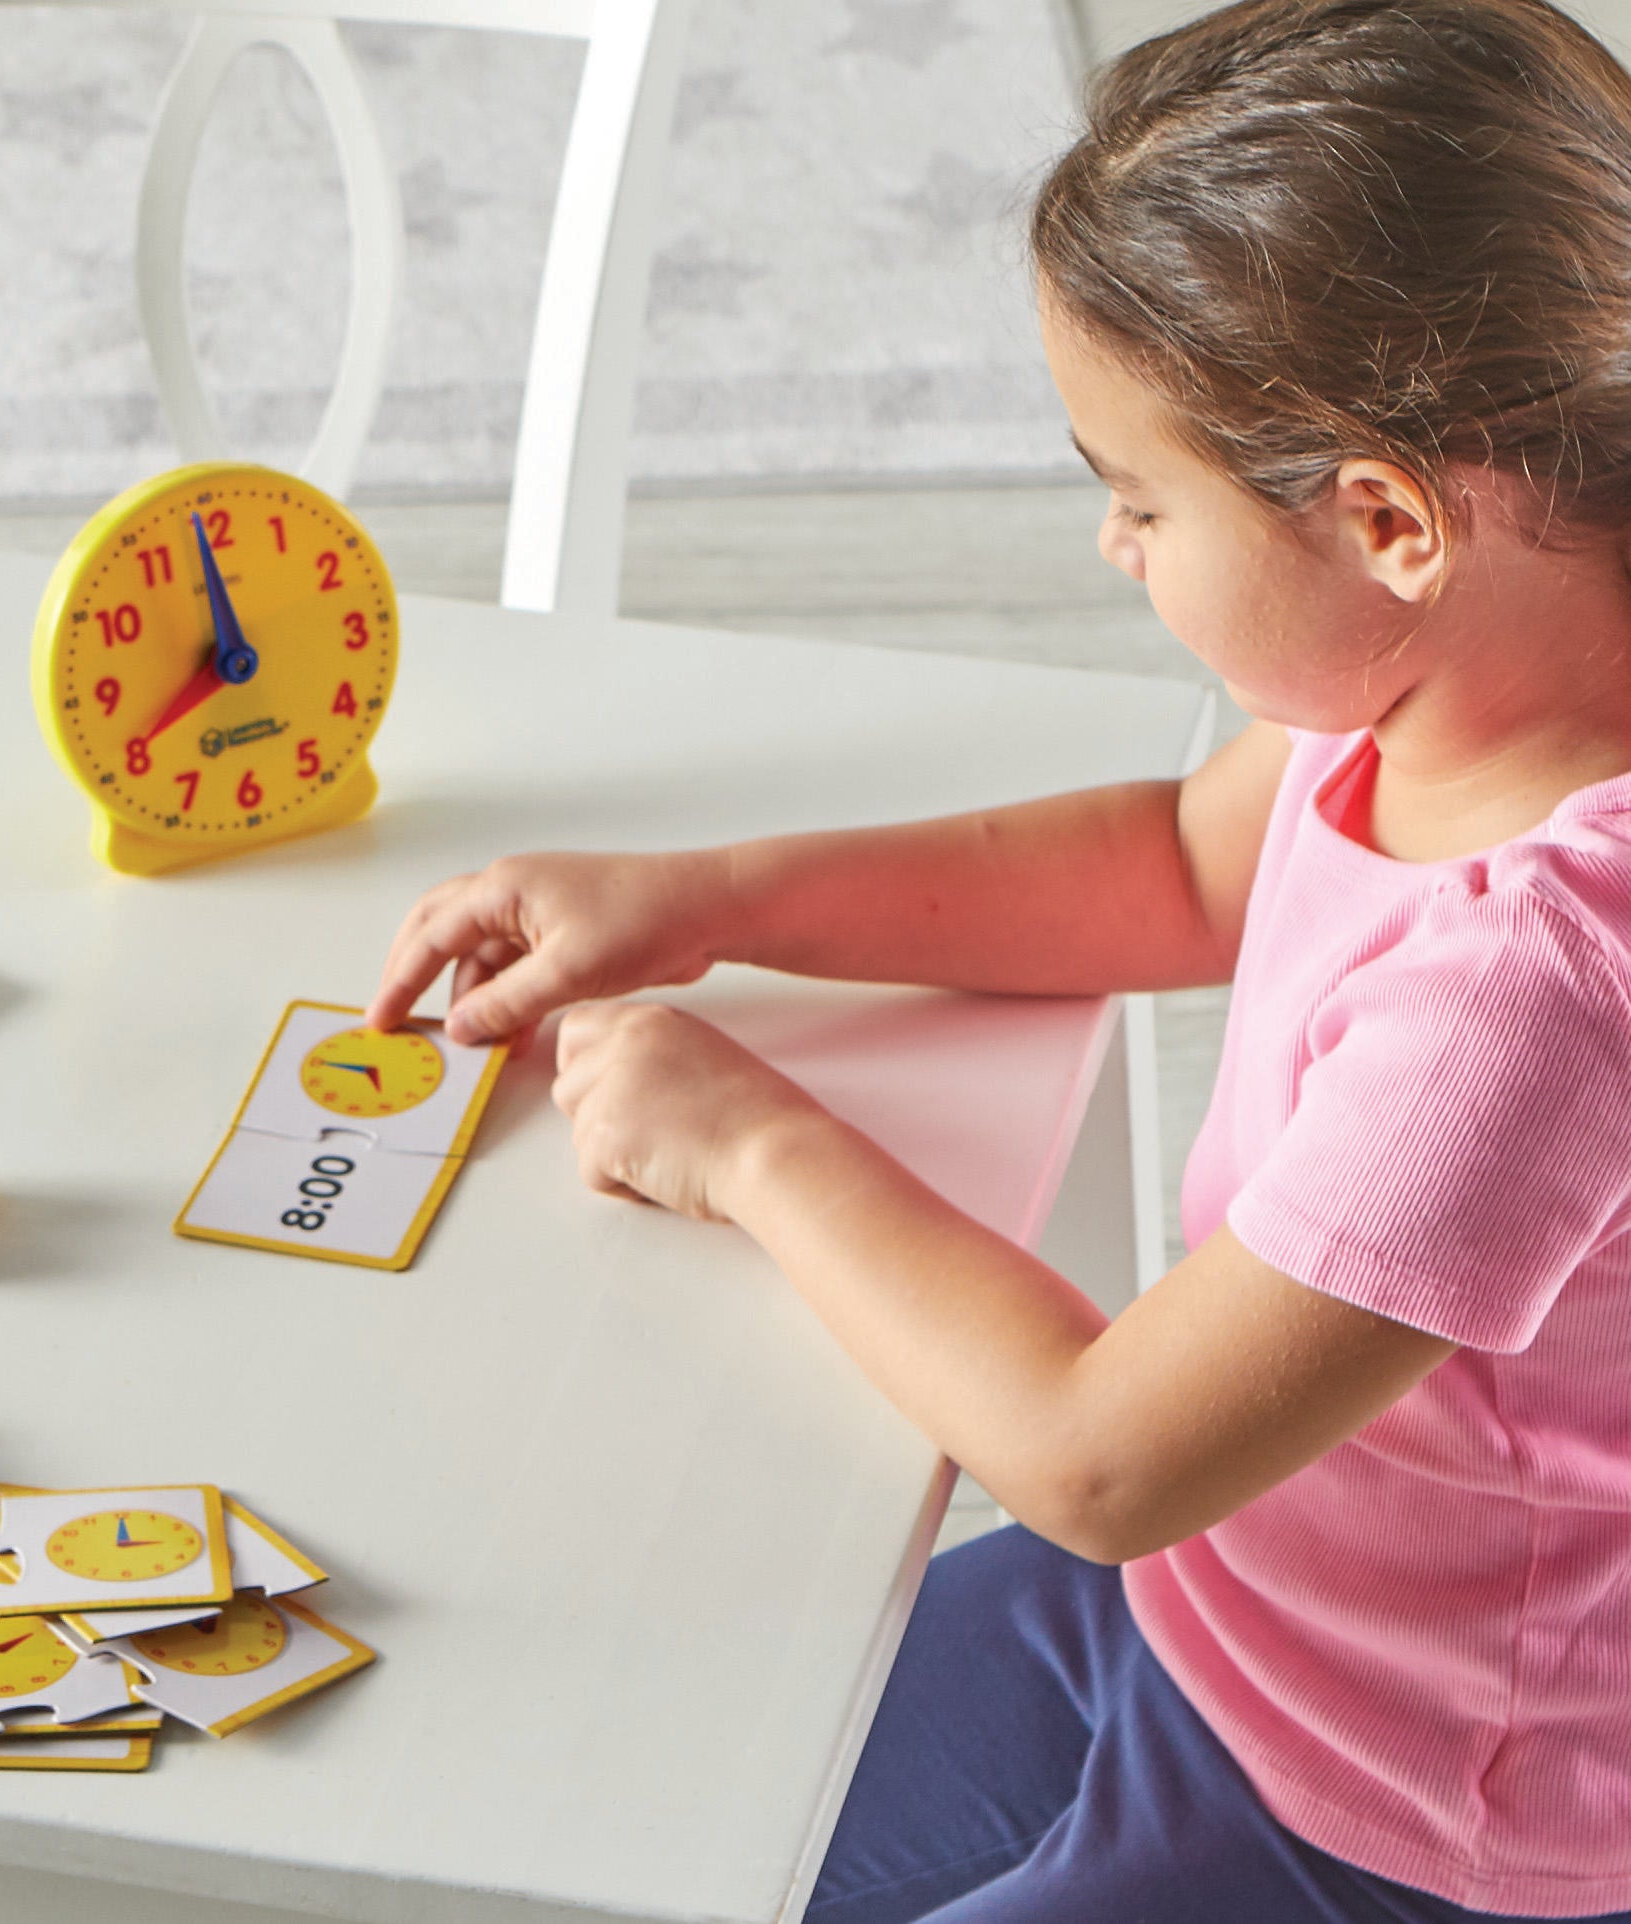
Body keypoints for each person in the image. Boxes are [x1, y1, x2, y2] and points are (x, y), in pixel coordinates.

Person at [364, 4, 1631, 1918]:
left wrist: (748, 1143)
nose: (1112, 542)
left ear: (1385, 519)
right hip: (1200, 1602)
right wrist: (710, 898)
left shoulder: (1535, 987)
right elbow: (1172, 870)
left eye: (1142, 497)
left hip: (1393, 1804)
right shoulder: (1429, 680)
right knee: (641, 1828)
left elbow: (1099, 1457)